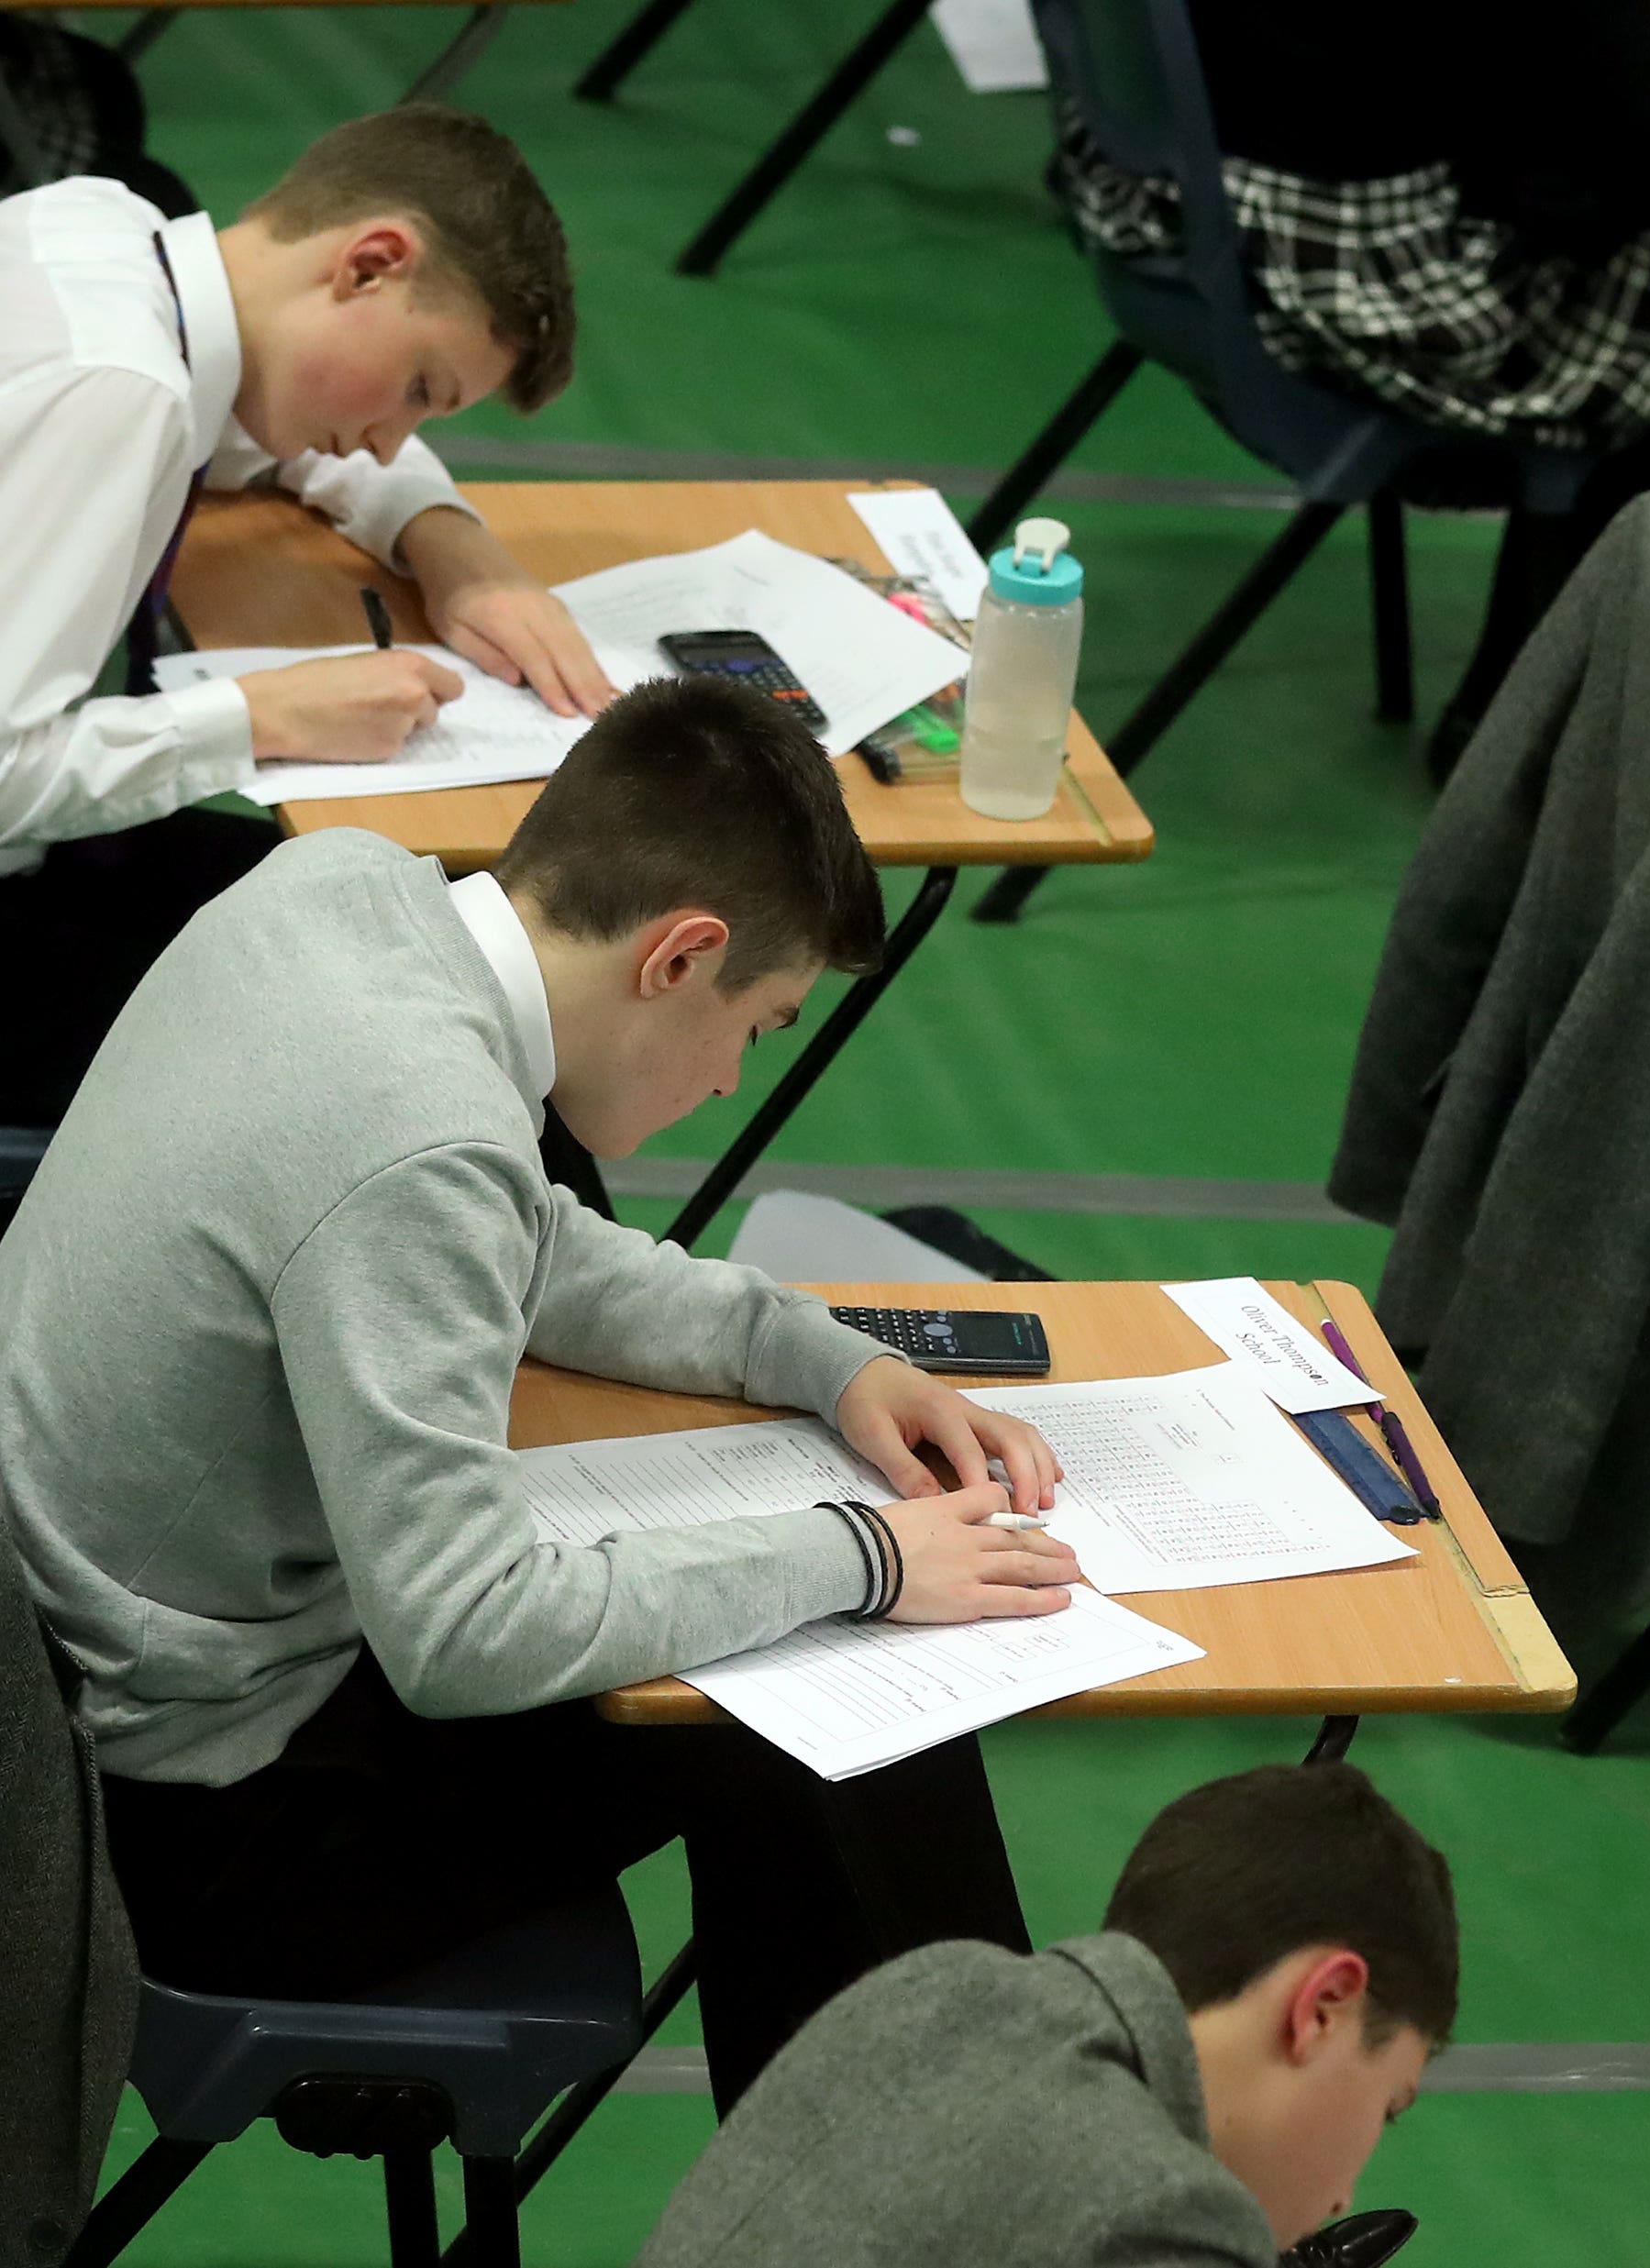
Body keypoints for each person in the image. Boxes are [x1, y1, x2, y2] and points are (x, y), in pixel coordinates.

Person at [1, 676, 1080, 2105]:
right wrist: (869, 1553)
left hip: (89, 1669)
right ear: (680, 958)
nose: (724, 1080)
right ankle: (966, 2205)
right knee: (850, 1709)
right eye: (757, 1022)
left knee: (818, 1687)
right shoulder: (422, 1135)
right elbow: (463, 1628)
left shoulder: (339, 888)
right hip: (186, 1822)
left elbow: (514, 1237)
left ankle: (944, 2187)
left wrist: (824, 1358)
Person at [1046, 0, 1650, 777]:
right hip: (1343, 276)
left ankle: (1532, 681)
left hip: (1171, 202)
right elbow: (1641, 102)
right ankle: (1522, 727)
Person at [0, 102, 615, 1128]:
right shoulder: (124, 391)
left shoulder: (107, 233)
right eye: (419, 387)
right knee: (431, 1062)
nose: (385, 443)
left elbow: (262, 439)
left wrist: (443, 535)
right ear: (369, 264)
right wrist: (264, 716)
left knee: (404, 947)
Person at [635, 1761, 1457, 2268]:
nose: (1347, 2196)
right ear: (1324, 2005)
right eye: (1386, 2103)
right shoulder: (1166, 2222)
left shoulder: (937, 1984)